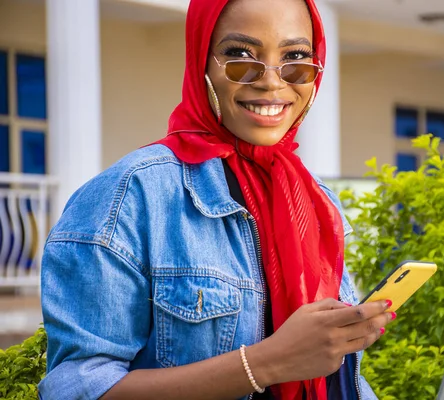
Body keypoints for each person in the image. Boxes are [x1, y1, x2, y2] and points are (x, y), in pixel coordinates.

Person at [38, 0, 395, 399]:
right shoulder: (130, 196)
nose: (272, 83)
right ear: (200, 61)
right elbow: (75, 389)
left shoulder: (313, 200)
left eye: (295, 58)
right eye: (241, 56)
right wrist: (268, 362)